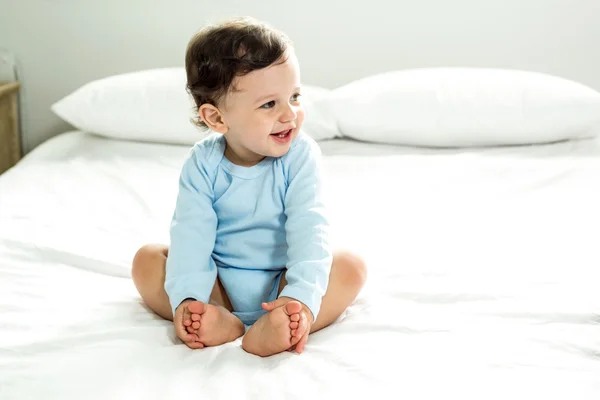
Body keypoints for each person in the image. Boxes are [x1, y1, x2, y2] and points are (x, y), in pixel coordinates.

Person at [131, 16, 366, 357]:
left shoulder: (300, 157)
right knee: (147, 260)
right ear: (217, 118)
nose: (290, 114)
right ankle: (215, 318)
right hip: (218, 285)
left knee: (351, 267)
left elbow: (309, 231)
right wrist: (190, 298)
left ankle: (287, 320)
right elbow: (191, 237)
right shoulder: (202, 164)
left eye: (295, 96)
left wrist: (298, 296)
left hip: (282, 281)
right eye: (270, 104)